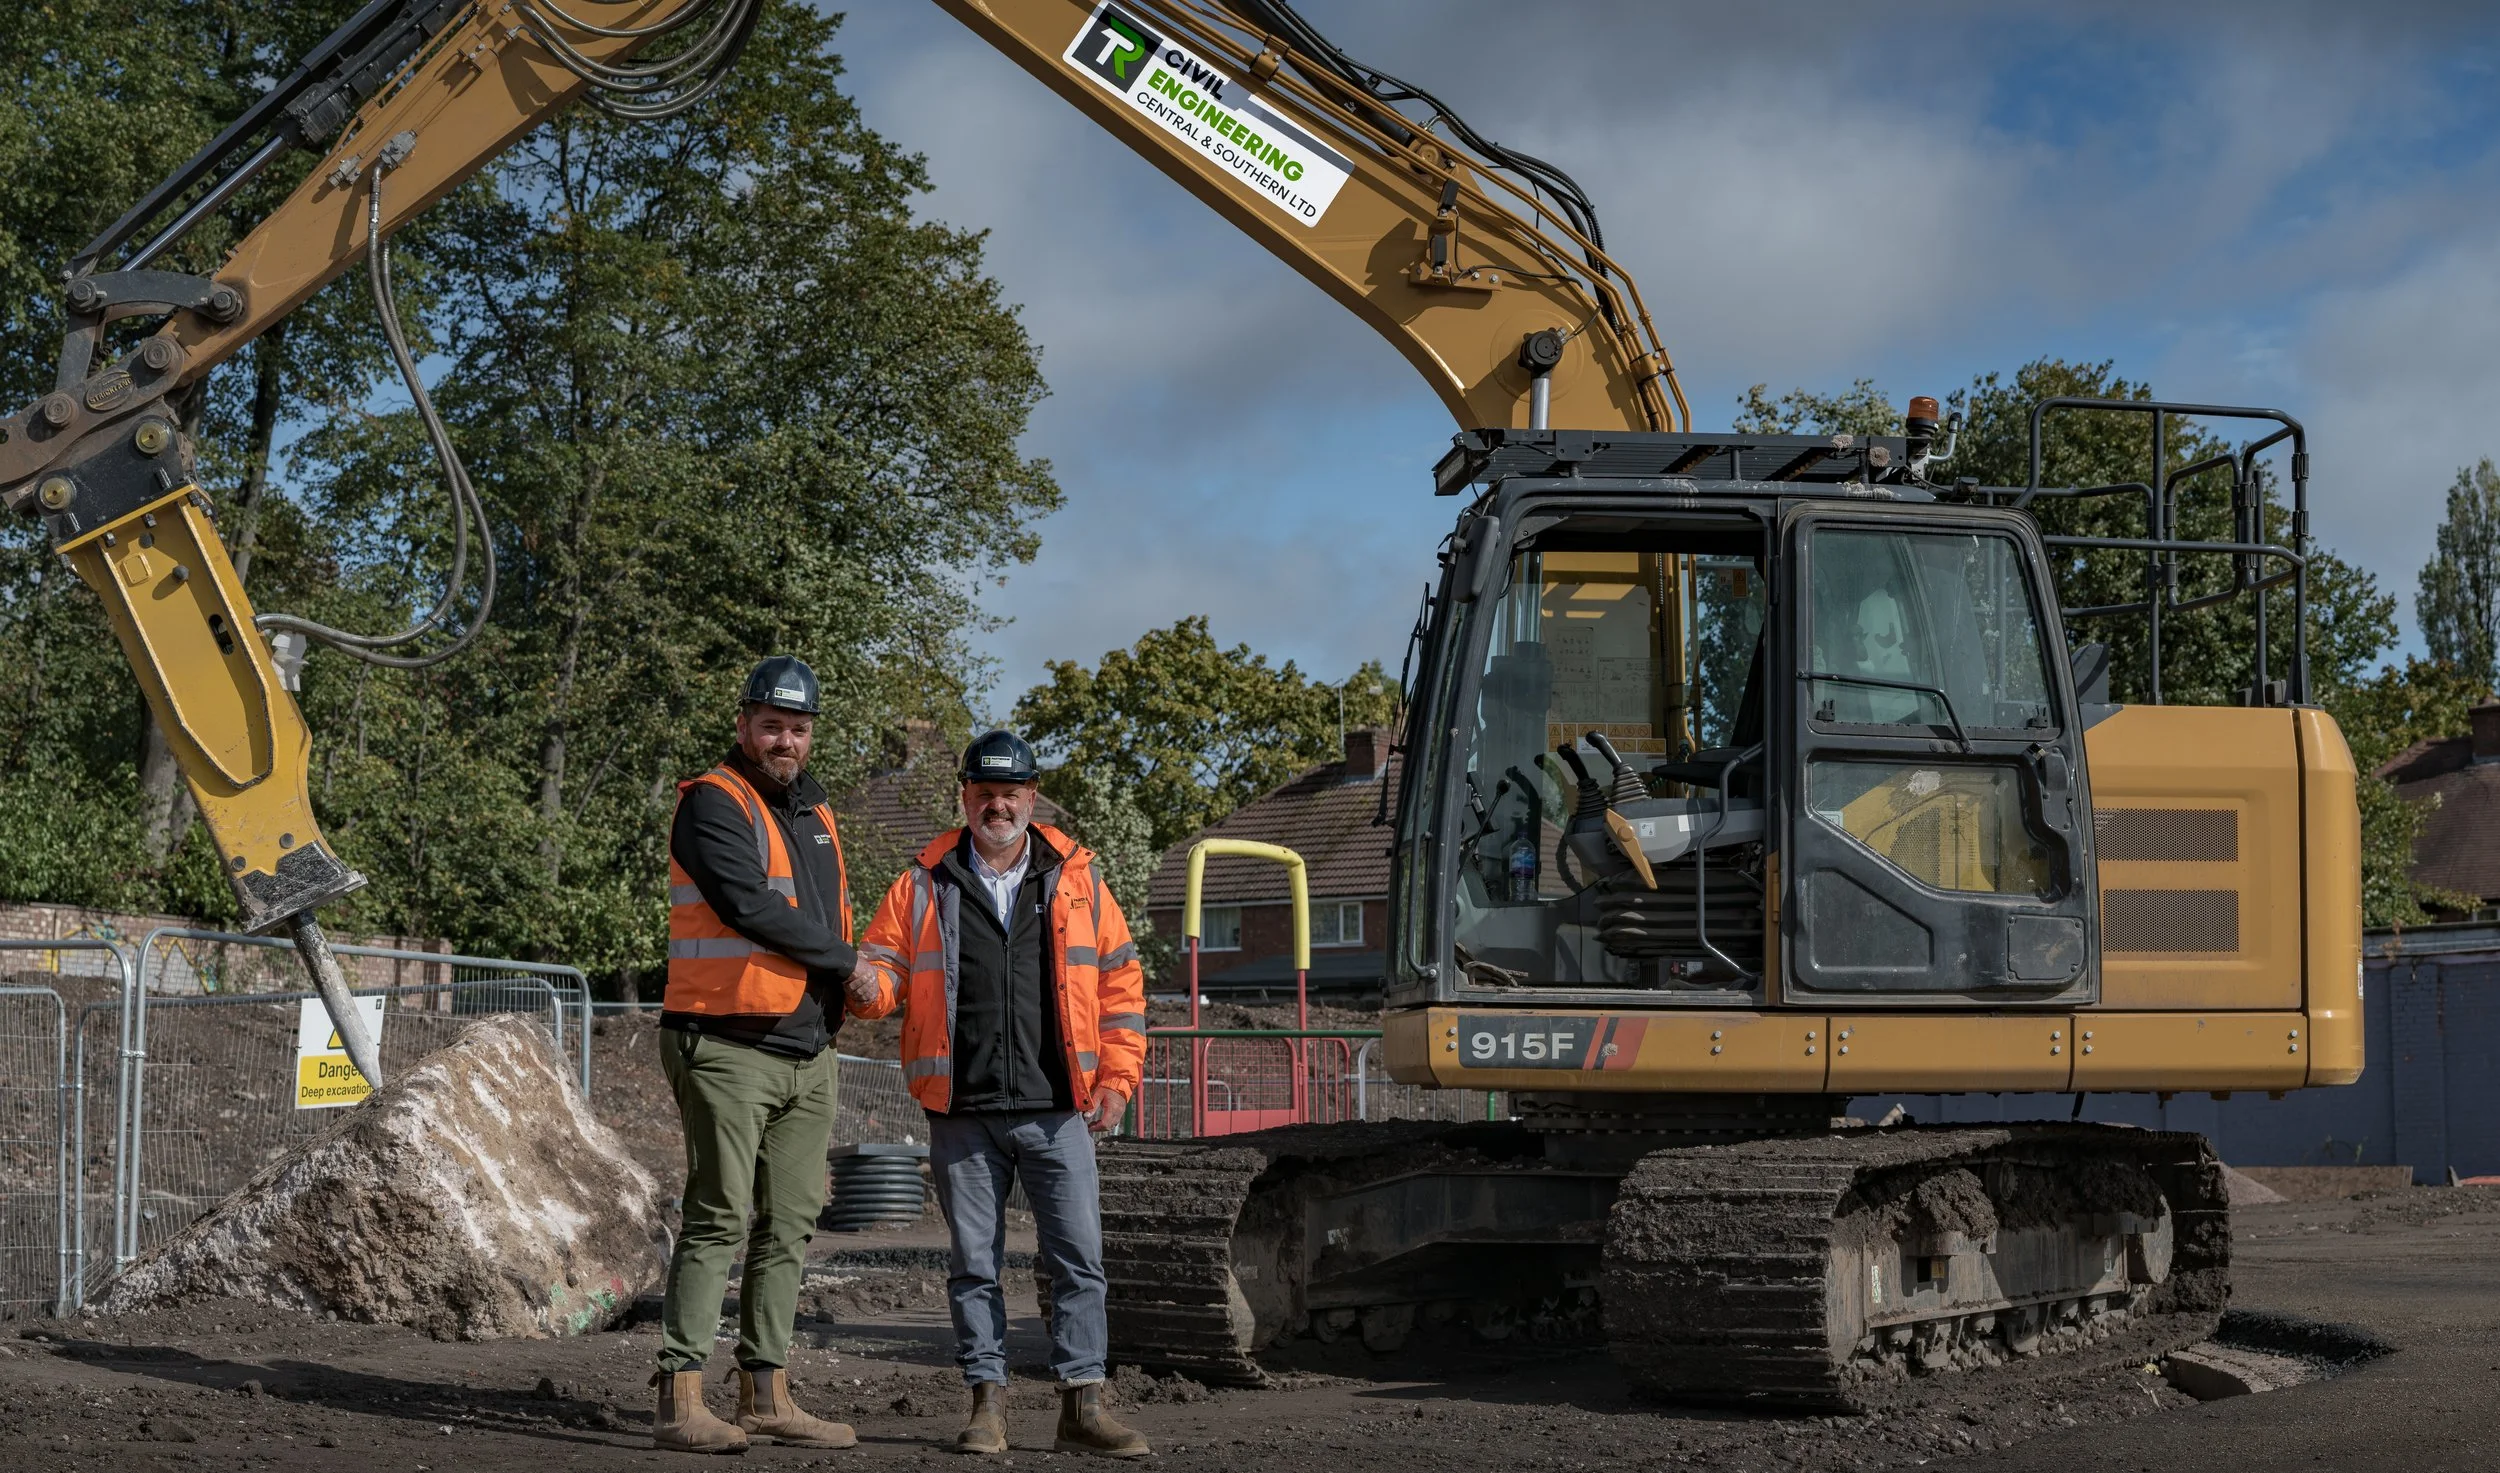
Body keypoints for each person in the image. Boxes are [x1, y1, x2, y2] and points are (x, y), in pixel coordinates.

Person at [848, 730, 1151, 1459]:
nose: (998, 804)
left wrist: (1117, 1078)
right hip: (963, 1110)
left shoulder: (1077, 878)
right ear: (965, 796)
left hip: (1057, 1107)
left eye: (1011, 792)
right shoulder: (924, 879)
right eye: (984, 792)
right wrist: (863, 987)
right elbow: (882, 967)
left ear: (1031, 795)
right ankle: (987, 1405)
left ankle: (1083, 1405)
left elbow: (1120, 983)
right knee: (974, 1263)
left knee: (1078, 1257)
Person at [650, 655, 862, 1455]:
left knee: (791, 1221)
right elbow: (749, 905)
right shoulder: (713, 801)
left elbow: (828, 914)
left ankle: (765, 1392)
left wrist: (846, 988)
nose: (784, 739)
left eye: (798, 728)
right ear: (743, 725)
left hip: (807, 1048)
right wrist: (849, 963)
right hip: (726, 1042)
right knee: (718, 1212)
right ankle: (680, 1396)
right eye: (771, 724)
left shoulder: (817, 813)